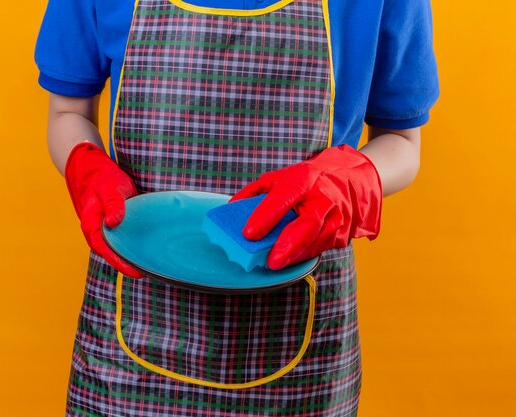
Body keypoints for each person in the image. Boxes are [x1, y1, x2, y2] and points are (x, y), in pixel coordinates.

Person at [34, 0, 439, 415]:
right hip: (128, 333)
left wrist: (350, 182)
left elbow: (402, 141)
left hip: (301, 341)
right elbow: (68, 111)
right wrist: (84, 163)